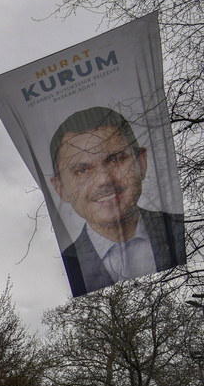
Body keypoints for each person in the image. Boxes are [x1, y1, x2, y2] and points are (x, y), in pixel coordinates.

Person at [49, 107, 185, 296]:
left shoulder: (185, 230)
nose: (104, 179)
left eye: (116, 160)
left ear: (141, 163)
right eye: (82, 171)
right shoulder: (63, 271)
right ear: (60, 188)